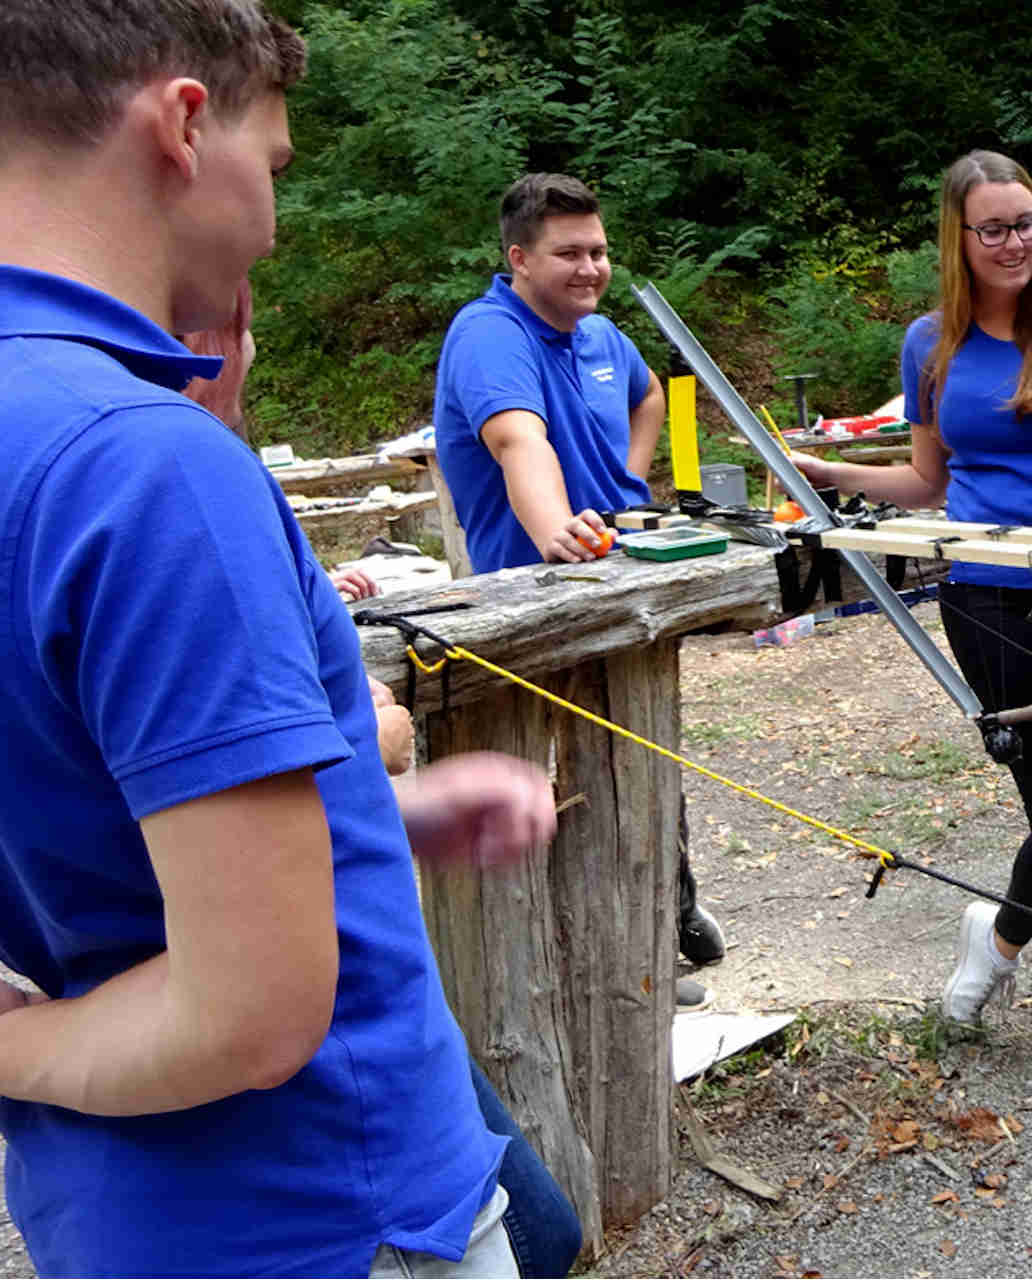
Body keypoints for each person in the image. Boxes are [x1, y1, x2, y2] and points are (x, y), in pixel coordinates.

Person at [0, 2, 558, 1274]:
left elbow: (84, 812)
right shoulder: (148, 469)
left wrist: (371, 809)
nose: (278, 208)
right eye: (280, 160)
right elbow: (248, 1015)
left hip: (117, 1217)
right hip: (324, 1215)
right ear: (187, 124)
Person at [181, 289, 586, 1277]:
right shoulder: (176, 494)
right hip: (327, 1078)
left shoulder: (221, 485)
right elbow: (265, 774)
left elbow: (312, 731)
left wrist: (398, 797)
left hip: (367, 990)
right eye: (231, 322)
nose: (247, 345)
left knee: (545, 1230)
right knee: (539, 1233)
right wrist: (375, 750)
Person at [789, 150, 1032, 1080]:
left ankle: (997, 940)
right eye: (994, 228)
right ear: (958, 239)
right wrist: (833, 474)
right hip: (981, 594)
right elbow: (930, 481)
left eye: (1027, 222)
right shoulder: (934, 342)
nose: (1015, 242)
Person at [434, 172, 726, 971]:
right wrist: (556, 527)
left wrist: (629, 484)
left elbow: (650, 402)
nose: (591, 268)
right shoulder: (490, 334)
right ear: (520, 257)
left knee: (631, 750)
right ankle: (540, 957)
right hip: (530, 595)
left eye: (598, 251)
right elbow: (516, 441)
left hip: (621, 582)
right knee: (542, 776)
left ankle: (666, 917)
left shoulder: (603, 338)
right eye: (569, 254)